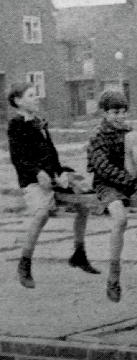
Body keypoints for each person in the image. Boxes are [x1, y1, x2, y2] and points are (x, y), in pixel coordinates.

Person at [8, 82, 100, 288]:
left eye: (36, 94)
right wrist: (37, 172)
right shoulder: (16, 124)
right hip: (33, 180)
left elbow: (51, 153)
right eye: (31, 95)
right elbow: (18, 158)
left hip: (52, 177)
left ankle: (79, 254)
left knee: (83, 204)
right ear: (18, 101)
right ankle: (25, 263)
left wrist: (60, 172)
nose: (36, 98)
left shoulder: (39, 122)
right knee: (42, 214)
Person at [87, 90, 137, 302]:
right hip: (108, 184)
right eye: (115, 112)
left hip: (130, 180)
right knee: (120, 219)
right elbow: (103, 168)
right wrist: (132, 183)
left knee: (134, 137)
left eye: (124, 112)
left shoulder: (128, 131)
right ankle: (114, 274)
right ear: (105, 113)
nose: (121, 116)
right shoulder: (97, 136)